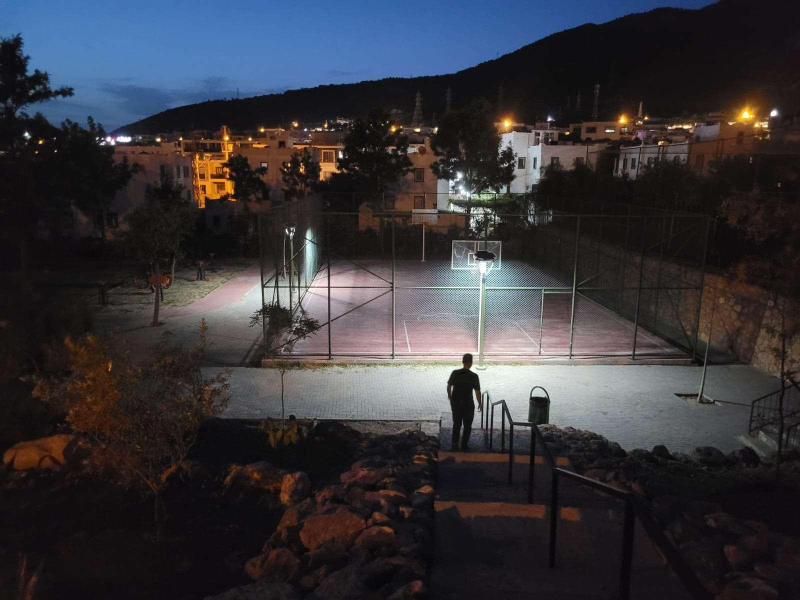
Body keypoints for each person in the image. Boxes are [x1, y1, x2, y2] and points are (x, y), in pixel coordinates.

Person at [447, 353, 482, 451]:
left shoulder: (455, 373)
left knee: (456, 424)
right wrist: (480, 403)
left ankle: (454, 444)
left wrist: (450, 396)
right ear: (471, 363)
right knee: (467, 425)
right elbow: (477, 391)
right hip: (468, 404)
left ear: (462, 362)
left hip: (456, 403)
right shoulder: (474, 376)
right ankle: (464, 445)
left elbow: (449, 386)